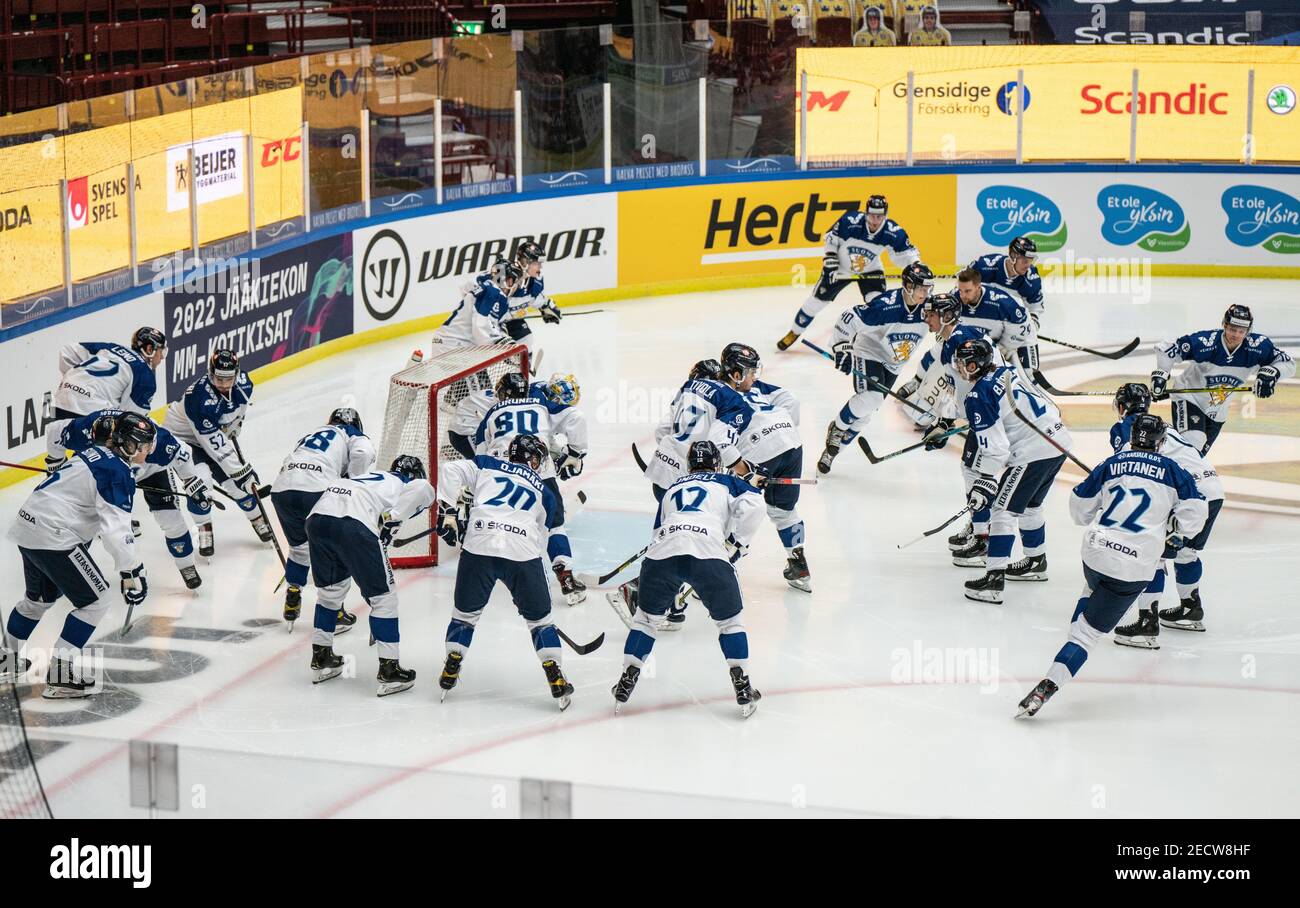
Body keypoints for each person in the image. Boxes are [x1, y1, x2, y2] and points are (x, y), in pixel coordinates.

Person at [1017, 414, 1206, 718]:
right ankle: (1049, 684)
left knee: (1093, 587)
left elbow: (1079, 508)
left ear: (1132, 437)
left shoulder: (1111, 463)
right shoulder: (1173, 470)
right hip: (1134, 566)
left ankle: (1074, 634)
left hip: (1095, 552)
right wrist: (1176, 532)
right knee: (1086, 636)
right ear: (1161, 442)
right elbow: (1196, 513)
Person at [610, 441, 767, 718]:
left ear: (690, 464)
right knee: (730, 624)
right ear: (717, 462)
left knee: (645, 621)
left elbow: (657, 528)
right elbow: (754, 504)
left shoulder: (673, 487)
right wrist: (737, 542)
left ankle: (627, 679)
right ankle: (742, 686)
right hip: (708, 554)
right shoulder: (729, 481)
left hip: (662, 555)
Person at [2, 414, 154, 698]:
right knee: (96, 602)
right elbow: (116, 531)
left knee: (38, 601)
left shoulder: (95, 454)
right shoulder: (116, 471)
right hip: (55, 535)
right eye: (140, 444)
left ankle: (4, 660)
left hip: (28, 525)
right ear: (124, 442)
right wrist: (131, 571)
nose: (146, 449)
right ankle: (61, 675)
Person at [435, 434, 576, 710]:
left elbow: (449, 469)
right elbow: (543, 534)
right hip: (520, 550)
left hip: (479, 543)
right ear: (532, 458)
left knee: (464, 617)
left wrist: (448, 511)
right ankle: (555, 676)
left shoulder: (486, 462)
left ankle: (452, 663)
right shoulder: (545, 493)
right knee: (541, 622)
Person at [951, 338, 1070, 605]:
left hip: (1033, 450)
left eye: (962, 363)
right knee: (1030, 506)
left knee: (1002, 511)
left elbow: (996, 448)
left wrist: (985, 481)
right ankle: (1036, 561)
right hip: (1059, 440)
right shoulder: (1010, 371)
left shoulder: (978, 394)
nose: (958, 367)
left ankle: (994, 579)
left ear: (973, 365)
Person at [304, 455, 434, 695]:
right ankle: (389, 671)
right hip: (353, 524)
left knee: (330, 594)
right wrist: (393, 521)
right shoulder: (405, 483)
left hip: (317, 520)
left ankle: (321, 657)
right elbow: (424, 489)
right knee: (384, 599)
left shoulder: (368, 478)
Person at [1106, 384, 1223, 646]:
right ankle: (1190, 608)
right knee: (1185, 552)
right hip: (1212, 490)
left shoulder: (1128, 427)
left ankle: (1148, 624)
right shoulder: (1164, 425)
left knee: (1153, 556)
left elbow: (1129, 465)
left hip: (1184, 493)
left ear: (1122, 406)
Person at [60, 410, 212, 589]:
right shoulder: (91, 428)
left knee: (171, 520)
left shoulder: (162, 443)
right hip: (113, 476)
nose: (149, 449)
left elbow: (184, 454)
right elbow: (56, 432)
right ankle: (67, 567)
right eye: (145, 446)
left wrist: (191, 480)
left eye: (150, 445)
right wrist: (54, 460)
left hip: (151, 472)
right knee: (89, 521)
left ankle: (186, 566)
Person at [473, 372, 589, 604]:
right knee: (554, 526)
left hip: (502, 479)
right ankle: (565, 576)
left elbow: (480, 454)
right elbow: (575, 417)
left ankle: (527, 579)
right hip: (541, 474)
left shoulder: (491, 413)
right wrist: (575, 454)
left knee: (512, 526)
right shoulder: (540, 405)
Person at [817, 262, 935, 474]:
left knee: (868, 409)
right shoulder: (886, 306)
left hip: (894, 363)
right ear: (908, 285)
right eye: (922, 288)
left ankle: (832, 453)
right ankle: (837, 428)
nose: (926, 293)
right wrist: (842, 348)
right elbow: (849, 318)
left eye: (929, 288)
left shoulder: (929, 309)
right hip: (869, 352)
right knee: (871, 398)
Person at [270, 407, 376, 629]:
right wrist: (354, 484)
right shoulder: (352, 433)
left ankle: (293, 594)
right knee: (334, 550)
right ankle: (334, 613)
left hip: (282, 490)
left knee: (299, 548)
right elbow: (363, 454)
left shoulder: (311, 435)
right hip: (315, 489)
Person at [776, 195, 920, 351]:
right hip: (841, 267)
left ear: (885, 216)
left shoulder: (892, 232)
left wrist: (915, 268)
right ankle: (794, 332)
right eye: (871, 215)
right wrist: (830, 259)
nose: (874, 220)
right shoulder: (851, 221)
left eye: (879, 216)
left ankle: (872, 341)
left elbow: (907, 255)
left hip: (870, 270)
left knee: (878, 305)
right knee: (815, 302)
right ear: (866, 213)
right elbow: (831, 239)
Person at [163, 349, 268, 557]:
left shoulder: (245, 384)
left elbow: (239, 409)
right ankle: (204, 528)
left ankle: (258, 519)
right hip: (182, 439)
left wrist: (234, 425)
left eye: (228, 379)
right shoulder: (198, 398)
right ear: (210, 373)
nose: (223, 384)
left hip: (209, 433)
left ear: (236, 375)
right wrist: (242, 472)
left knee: (237, 486)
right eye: (218, 378)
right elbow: (213, 445)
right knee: (201, 487)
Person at [1152, 304, 1294, 454]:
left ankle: (1165, 460)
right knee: (1192, 445)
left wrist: (1272, 372)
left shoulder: (1258, 347)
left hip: (1218, 409)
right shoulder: (1206, 342)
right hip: (1189, 397)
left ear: (1248, 331)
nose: (1236, 335)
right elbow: (1166, 350)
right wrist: (1161, 375)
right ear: (1225, 325)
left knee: (1196, 457)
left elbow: (1288, 364)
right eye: (1233, 329)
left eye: (1242, 331)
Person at [729, 344, 811, 592]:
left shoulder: (722, 393)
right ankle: (799, 567)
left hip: (757, 451)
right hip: (791, 444)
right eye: (751, 372)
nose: (755, 377)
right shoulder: (761, 389)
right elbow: (791, 400)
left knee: (734, 509)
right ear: (735, 373)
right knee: (784, 509)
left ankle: (721, 569)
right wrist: (780, 431)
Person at [45, 327, 166, 469]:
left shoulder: (111, 348)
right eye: (162, 351)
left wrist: (76, 382)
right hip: (90, 411)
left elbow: (67, 351)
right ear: (150, 349)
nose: (162, 357)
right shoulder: (145, 375)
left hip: (59, 401)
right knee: (100, 459)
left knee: (59, 449)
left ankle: (55, 465)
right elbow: (130, 418)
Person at [432, 257, 524, 349]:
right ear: (508, 281)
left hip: (451, 342)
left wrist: (501, 339)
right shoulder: (492, 293)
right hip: (452, 344)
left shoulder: (489, 289)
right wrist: (500, 345)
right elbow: (480, 327)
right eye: (516, 281)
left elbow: (489, 326)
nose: (517, 287)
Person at [501, 241, 563, 363]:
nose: (540, 268)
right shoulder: (506, 278)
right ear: (525, 262)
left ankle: (521, 371)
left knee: (526, 340)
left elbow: (535, 298)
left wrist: (547, 306)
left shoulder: (534, 282)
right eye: (536, 263)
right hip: (491, 325)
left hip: (512, 322)